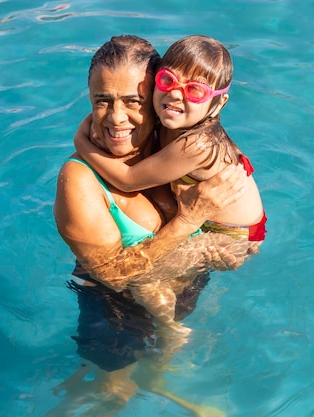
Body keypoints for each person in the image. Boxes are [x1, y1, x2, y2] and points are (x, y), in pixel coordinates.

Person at [52, 35, 247, 417]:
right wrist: (189, 220)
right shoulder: (80, 180)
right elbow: (113, 275)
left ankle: (154, 382)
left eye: (133, 102)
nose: (116, 119)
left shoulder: (175, 147)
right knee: (111, 394)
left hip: (179, 294)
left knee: (154, 368)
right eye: (102, 101)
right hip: (116, 312)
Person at [74, 34, 267, 334]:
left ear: (218, 102)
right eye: (168, 82)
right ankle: (169, 329)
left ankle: (170, 333)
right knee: (141, 279)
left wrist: (83, 145)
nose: (177, 96)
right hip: (220, 227)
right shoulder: (174, 129)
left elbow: (126, 180)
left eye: (195, 91)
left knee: (143, 279)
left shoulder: (194, 145)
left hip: (231, 234)